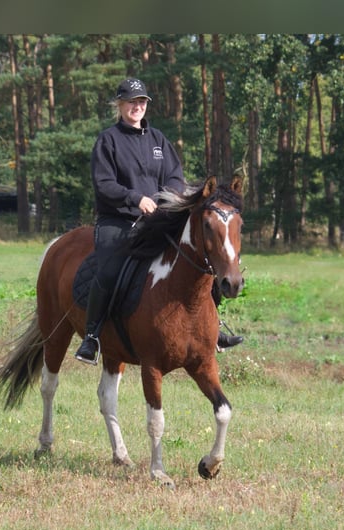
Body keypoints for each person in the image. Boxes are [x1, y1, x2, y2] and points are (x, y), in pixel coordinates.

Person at [75, 78, 242, 365]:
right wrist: (136, 198)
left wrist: (171, 199)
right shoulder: (108, 140)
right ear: (120, 105)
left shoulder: (158, 140)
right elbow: (103, 184)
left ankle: (214, 330)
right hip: (117, 219)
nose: (137, 107)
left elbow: (175, 175)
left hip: (156, 220)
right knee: (109, 271)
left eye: (141, 102)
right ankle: (91, 337)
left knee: (201, 261)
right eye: (131, 102)